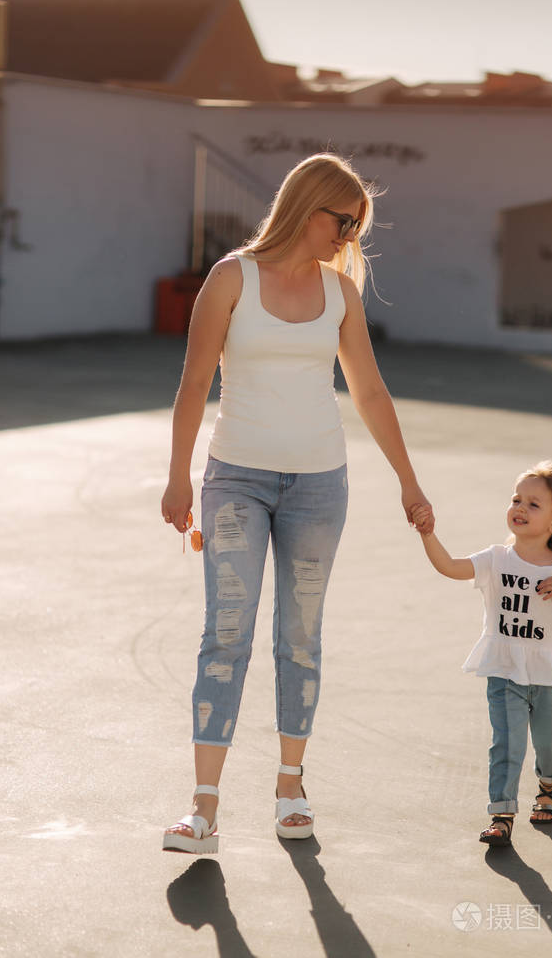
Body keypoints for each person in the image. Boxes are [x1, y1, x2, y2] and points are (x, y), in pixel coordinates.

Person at [161, 153, 434, 854]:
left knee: (300, 637)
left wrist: (408, 479)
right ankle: (203, 808)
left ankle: (291, 787)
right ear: (306, 207)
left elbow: (368, 391)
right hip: (235, 481)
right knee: (226, 633)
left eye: (356, 227)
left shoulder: (340, 293)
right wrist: (178, 475)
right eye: (343, 221)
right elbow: (194, 383)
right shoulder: (231, 279)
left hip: (319, 485)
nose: (349, 237)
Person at [411, 461, 552, 848]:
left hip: (551, 673)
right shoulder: (496, 559)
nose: (520, 508)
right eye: (516, 499)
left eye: (533, 504)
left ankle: (549, 784)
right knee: (506, 743)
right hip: (505, 669)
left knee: (551, 742)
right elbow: (449, 566)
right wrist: (428, 534)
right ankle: (502, 814)